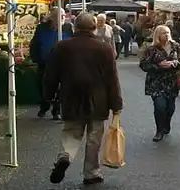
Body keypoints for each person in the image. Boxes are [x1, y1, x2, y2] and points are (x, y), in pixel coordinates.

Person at [44, 12, 122, 185]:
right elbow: (112, 78)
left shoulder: (61, 47)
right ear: (94, 27)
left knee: (72, 132)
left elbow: (50, 75)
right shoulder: (104, 48)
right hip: (98, 98)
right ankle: (91, 172)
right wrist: (116, 103)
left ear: (75, 26)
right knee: (94, 137)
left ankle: (66, 155)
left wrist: (48, 96)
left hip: (71, 96)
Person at [139, 25, 180, 142]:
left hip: (171, 81)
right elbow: (143, 65)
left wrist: (173, 64)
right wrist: (158, 66)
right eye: (163, 33)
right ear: (158, 35)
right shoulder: (151, 49)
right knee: (160, 106)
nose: (166, 35)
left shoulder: (176, 46)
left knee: (170, 107)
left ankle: (166, 123)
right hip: (156, 82)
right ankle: (159, 130)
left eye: (168, 32)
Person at [30, 11, 69, 120]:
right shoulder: (41, 28)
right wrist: (35, 58)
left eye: (64, 16)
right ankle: (44, 106)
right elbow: (34, 44)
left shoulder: (68, 27)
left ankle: (56, 110)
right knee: (43, 86)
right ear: (52, 18)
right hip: (45, 63)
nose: (63, 18)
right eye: (60, 16)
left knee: (61, 88)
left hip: (63, 64)